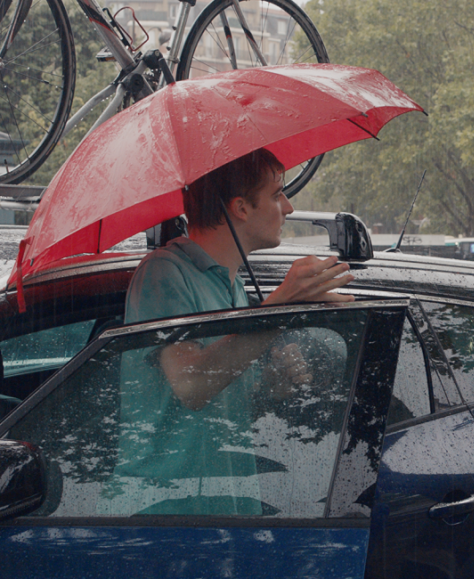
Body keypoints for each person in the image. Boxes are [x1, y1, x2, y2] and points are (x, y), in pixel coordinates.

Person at [107, 149, 355, 515]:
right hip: (164, 510)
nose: (287, 207)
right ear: (240, 207)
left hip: (226, 505)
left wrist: (271, 385)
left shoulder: (235, 286)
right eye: (276, 194)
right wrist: (279, 307)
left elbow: (220, 409)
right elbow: (192, 386)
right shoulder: (164, 272)